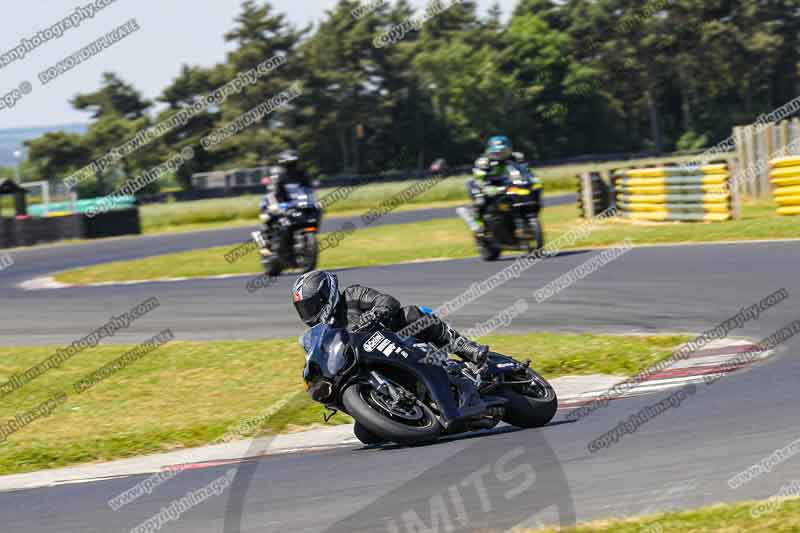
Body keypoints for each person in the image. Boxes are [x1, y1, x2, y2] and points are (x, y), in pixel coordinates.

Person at [291, 270, 489, 367]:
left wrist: (376, 313)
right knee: (366, 435)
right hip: (372, 364)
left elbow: (387, 300)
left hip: (399, 340)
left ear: (326, 295)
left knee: (411, 313)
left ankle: (465, 347)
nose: (308, 313)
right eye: (303, 309)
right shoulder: (322, 334)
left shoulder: (352, 295)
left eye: (311, 306)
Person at [468, 135, 525, 234]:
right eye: (496, 151)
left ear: (510, 149)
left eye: (503, 151)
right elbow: (478, 178)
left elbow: (525, 171)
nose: (500, 154)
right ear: (490, 151)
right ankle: (478, 223)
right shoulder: (483, 162)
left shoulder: (517, 158)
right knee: (480, 201)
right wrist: (484, 188)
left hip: (507, 184)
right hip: (487, 185)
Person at [260, 150, 314, 249]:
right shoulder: (281, 177)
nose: (292, 167)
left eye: (294, 163)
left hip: (297, 203)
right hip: (283, 204)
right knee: (268, 215)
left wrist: (310, 200)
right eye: (289, 164)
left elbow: (309, 189)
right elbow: (278, 194)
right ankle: (264, 242)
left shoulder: (303, 175)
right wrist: (280, 204)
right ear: (284, 165)